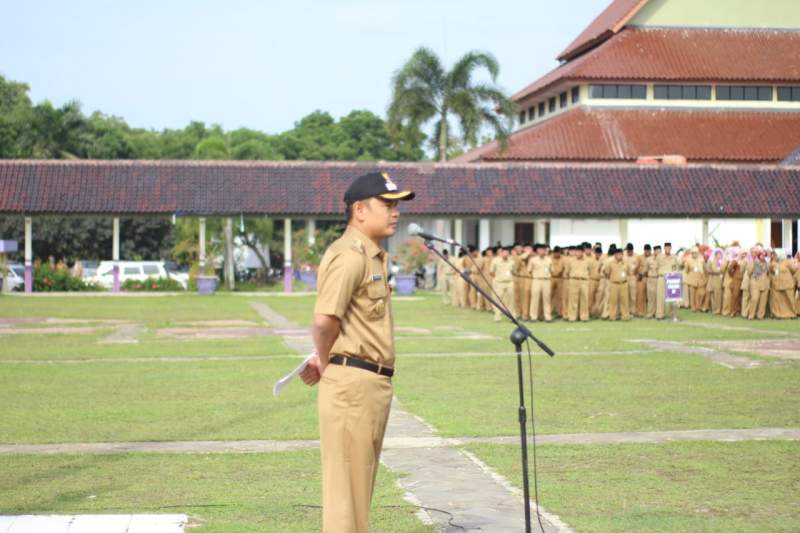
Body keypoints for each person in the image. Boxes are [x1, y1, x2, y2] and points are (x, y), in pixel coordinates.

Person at [300, 171, 415, 533]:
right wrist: (323, 358)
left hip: (370, 383)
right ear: (360, 210)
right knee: (345, 498)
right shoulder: (349, 256)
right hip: (352, 383)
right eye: (387, 204)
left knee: (357, 491)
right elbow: (324, 321)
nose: (395, 212)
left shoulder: (372, 255)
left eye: (397, 204)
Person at [490, 246, 516, 322]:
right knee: (498, 299)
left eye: (507, 252)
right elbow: (491, 272)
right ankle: (497, 316)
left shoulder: (511, 261)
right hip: (499, 283)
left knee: (511, 300)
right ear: (501, 253)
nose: (505, 254)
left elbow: (513, 271)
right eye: (504, 252)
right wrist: (498, 278)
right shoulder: (495, 261)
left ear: (509, 253)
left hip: (509, 282)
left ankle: (512, 316)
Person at [527, 243, 552, 322]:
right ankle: (533, 317)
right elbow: (529, 271)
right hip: (536, 280)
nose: (542, 251)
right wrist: (536, 276)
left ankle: (547, 317)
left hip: (546, 280)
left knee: (547, 299)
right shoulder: (533, 259)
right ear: (537, 251)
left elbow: (552, 270)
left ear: (546, 251)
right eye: (540, 249)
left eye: (543, 250)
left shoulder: (549, 259)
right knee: (534, 299)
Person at [566, 245, 590, 321]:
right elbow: (567, 271)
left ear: (583, 252)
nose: (577, 253)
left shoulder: (588, 261)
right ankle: (572, 317)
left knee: (584, 299)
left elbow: (590, 271)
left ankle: (584, 317)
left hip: (584, 281)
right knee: (573, 299)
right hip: (573, 280)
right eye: (576, 251)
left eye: (579, 251)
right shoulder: (571, 260)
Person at [605, 247, 630, 321]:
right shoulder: (610, 263)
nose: (619, 256)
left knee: (624, 301)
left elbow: (628, 272)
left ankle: (625, 316)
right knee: (613, 301)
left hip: (624, 284)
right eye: (618, 254)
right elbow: (607, 273)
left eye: (621, 254)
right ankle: (612, 316)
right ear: (615, 255)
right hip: (614, 284)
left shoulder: (626, 263)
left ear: (622, 255)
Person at [706, 249, 724, 315]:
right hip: (713, 279)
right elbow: (707, 270)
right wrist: (715, 272)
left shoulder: (722, 261)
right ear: (715, 254)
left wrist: (719, 272)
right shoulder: (711, 261)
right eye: (718, 254)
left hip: (720, 280)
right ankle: (714, 309)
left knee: (718, 295)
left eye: (720, 254)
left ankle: (718, 310)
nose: (719, 255)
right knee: (713, 295)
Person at [644, 245, 659, 318]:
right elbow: (645, 270)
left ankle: (657, 313)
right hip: (650, 279)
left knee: (658, 297)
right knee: (650, 297)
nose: (658, 252)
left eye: (659, 251)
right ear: (654, 251)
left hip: (658, 279)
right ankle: (650, 313)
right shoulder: (649, 259)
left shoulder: (662, 260)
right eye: (656, 251)